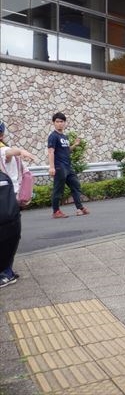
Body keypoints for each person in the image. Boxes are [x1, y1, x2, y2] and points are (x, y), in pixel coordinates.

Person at [0, 121, 36, 288]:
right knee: (11, 236)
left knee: (8, 237)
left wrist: (20, 151)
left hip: (7, 202)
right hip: (9, 201)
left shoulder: (3, 150)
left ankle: (6, 273)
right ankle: (7, 271)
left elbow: (8, 152)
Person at [47, 112, 90, 219]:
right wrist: (51, 167)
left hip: (68, 167)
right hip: (59, 166)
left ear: (65, 123)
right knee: (58, 189)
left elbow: (66, 150)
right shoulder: (53, 136)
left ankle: (79, 208)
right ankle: (56, 211)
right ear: (53, 123)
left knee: (76, 185)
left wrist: (74, 145)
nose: (60, 124)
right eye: (57, 122)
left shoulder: (64, 136)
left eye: (62, 121)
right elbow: (51, 152)